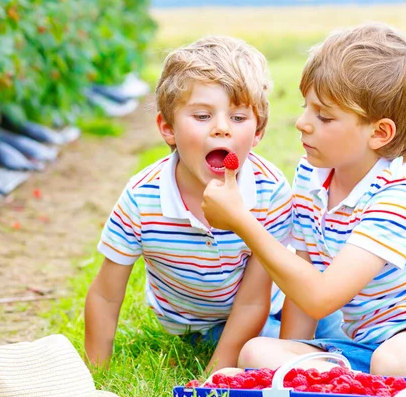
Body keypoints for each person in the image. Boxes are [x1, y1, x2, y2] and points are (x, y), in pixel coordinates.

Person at [201, 23, 406, 397]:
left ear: (379, 133)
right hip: (374, 345)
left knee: (397, 360)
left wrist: (243, 222)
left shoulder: (397, 197)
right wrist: (289, 356)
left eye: (324, 116)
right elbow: (303, 280)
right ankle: (374, 389)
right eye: (305, 106)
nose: (302, 122)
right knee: (259, 351)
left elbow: (322, 297)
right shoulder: (312, 174)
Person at [85, 36, 293, 374]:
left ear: (258, 134)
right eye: (202, 115)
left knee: (334, 324)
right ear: (168, 128)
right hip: (205, 326)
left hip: (271, 304)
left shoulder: (269, 192)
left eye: (239, 118)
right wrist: (97, 376)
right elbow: (105, 296)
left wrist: (211, 381)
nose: (222, 128)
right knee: (267, 350)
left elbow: (255, 299)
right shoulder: (143, 198)